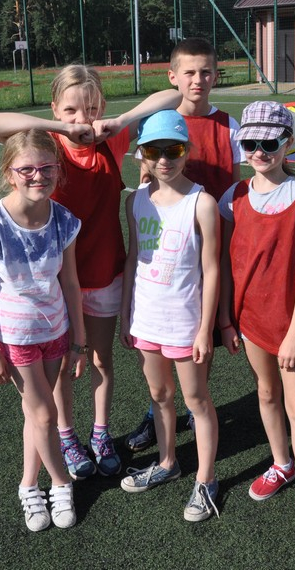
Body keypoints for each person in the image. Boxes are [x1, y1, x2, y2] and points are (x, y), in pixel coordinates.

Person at [0, 66, 182, 481]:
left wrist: (122, 121)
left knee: (101, 359)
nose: (82, 119)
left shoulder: (113, 138)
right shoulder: (49, 146)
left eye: (90, 109)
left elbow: (173, 96)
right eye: (71, 109)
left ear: (102, 107)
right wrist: (60, 128)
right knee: (63, 368)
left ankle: (100, 433)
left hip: (106, 271)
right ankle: (67, 437)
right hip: (58, 283)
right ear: (55, 109)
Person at [218, 101, 295, 547]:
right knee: (266, 394)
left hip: (290, 324)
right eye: (250, 142)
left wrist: (294, 332)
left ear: (287, 143)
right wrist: (226, 319)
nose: (258, 151)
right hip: (249, 318)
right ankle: (281, 463)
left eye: (268, 143)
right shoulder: (233, 197)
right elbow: (226, 263)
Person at [126, 37, 244, 453]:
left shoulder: (229, 125)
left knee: (200, 337)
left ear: (216, 76)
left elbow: (239, 183)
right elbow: (145, 185)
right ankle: (158, 412)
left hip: (212, 246)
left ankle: (196, 407)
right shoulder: (158, 123)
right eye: (189, 72)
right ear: (173, 77)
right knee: (161, 345)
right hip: (167, 252)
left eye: (206, 71)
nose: (198, 80)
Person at [0, 129, 85, 532]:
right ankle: (61, 482)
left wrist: (79, 341)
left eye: (47, 168)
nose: (38, 176)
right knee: (45, 414)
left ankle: (28, 484)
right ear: (9, 173)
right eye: (27, 170)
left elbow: (71, 283)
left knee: (36, 416)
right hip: (15, 338)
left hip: (55, 332)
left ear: (57, 170)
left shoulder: (64, 220)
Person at [118, 110, 221, 522]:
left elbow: (212, 269)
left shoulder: (203, 203)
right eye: (153, 151)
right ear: (141, 154)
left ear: (187, 151)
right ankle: (167, 462)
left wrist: (205, 328)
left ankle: (206, 479)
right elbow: (132, 259)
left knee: (196, 401)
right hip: (146, 319)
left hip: (184, 323)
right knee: (160, 396)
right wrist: (126, 314)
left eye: (173, 149)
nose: (164, 159)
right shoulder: (135, 200)